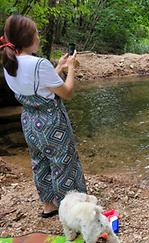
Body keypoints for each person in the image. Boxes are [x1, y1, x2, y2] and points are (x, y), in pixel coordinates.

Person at [1, 14, 86, 218]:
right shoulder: (39, 64)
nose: (39, 37)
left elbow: (39, 85)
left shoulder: (9, 63)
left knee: (40, 162)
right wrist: (71, 69)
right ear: (28, 38)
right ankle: (71, 210)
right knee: (63, 163)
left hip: (30, 122)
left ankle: (48, 206)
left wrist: (58, 67)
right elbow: (65, 93)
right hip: (52, 124)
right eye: (36, 33)